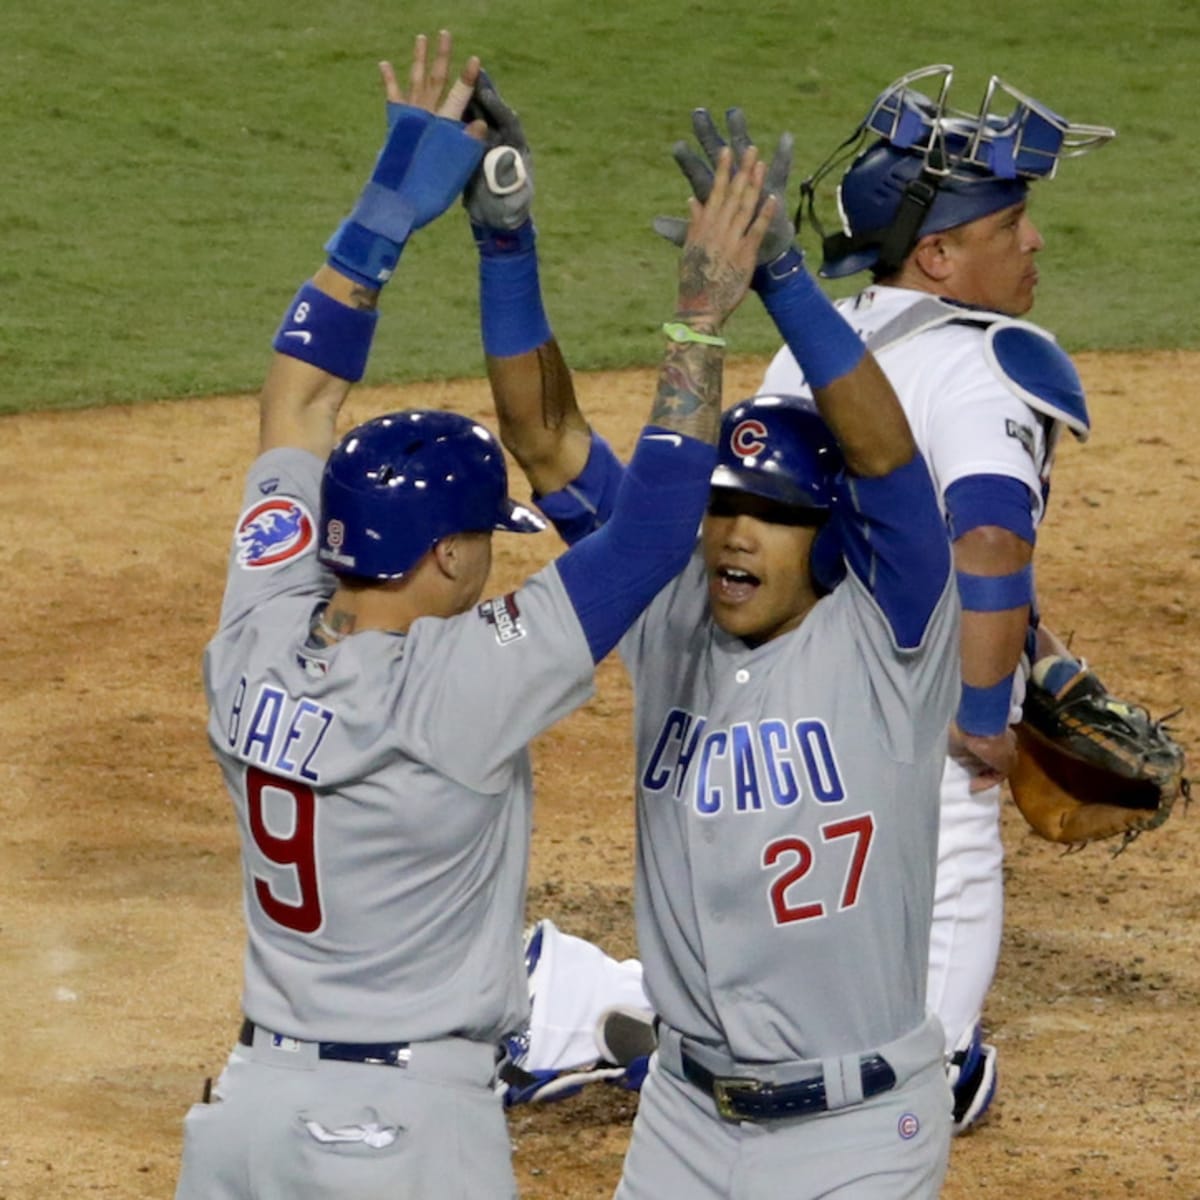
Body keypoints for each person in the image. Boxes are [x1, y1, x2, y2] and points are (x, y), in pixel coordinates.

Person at [173, 30, 781, 1200]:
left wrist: (390, 205)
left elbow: (299, 400)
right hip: (399, 1135)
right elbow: (654, 533)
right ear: (447, 557)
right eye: (487, 550)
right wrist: (702, 316)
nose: (499, 572)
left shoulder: (254, 632)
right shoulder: (458, 688)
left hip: (246, 1119)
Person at [476, 84, 961, 1196]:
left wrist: (783, 282)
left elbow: (887, 464)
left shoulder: (893, 640)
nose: (739, 533)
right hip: (684, 1122)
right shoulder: (665, 608)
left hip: (858, 1132)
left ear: (828, 537)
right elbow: (546, 438)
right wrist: (505, 237)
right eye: (723, 506)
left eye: (779, 515)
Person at [758, 64, 1114, 1131]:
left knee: (802, 906)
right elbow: (991, 538)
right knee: (949, 889)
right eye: (1013, 223)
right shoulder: (995, 357)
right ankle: (582, 1007)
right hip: (911, 706)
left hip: (782, 693)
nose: (1036, 243)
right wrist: (981, 719)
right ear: (940, 253)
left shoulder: (806, 343)